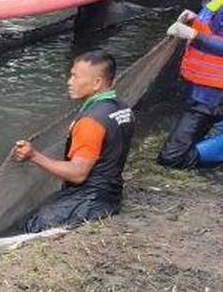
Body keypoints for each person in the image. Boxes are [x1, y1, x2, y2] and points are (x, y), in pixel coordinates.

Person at [11, 51, 134, 232]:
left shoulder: (91, 122)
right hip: (111, 193)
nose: (70, 82)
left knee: (29, 225)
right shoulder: (122, 107)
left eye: (76, 77)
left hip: (91, 200)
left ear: (97, 83)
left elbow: (78, 174)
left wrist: (33, 155)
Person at [157, 0, 223, 168]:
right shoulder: (219, 2)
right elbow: (214, 31)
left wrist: (193, 35)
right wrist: (194, 20)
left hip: (215, 95)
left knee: (171, 158)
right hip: (204, 89)